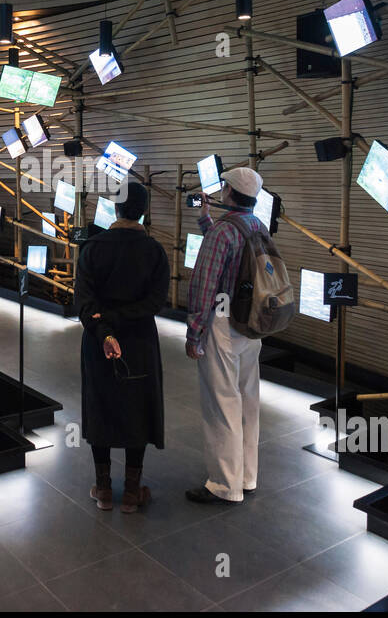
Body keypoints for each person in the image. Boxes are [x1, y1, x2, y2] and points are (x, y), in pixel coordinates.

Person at [73, 181, 170, 513]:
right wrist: (122, 317)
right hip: (139, 341)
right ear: (144, 211)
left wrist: (104, 329)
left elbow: (84, 302)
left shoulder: (92, 249)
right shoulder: (154, 251)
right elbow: (156, 301)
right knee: (137, 409)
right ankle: (131, 491)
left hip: (100, 342)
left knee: (100, 405)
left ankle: (102, 490)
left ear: (114, 207)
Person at [184, 166, 268, 505]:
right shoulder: (257, 226)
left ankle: (223, 485)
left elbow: (205, 285)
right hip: (253, 324)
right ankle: (247, 477)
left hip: (222, 323)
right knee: (248, 400)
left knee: (222, 403)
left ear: (229, 193)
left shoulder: (223, 232)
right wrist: (206, 218)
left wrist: (194, 334)